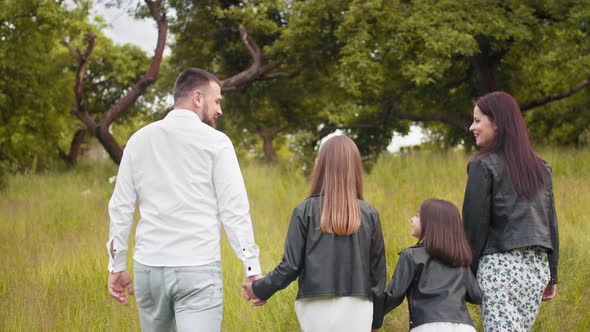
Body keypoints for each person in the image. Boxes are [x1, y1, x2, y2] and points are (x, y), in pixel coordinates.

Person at [106, 68, 263, 331]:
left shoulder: (138, 141)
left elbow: (120, 207)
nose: (219, 110)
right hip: (197, 268)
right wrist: (252, 270)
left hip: (149, 269)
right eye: (217, 101)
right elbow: (234, 211)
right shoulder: (217, 143)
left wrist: (117, 265)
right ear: (198, 98)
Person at [241, 135, 387, 331]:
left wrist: (260, 289)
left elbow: (291, 266)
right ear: (355, 168)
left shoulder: (304, 210)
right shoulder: (369, 214)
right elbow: (377, 277)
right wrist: (376, 321)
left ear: (322, 166)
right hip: (358, 307)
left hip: (314, 306)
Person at [463, 91, 559, 331]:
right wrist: (552, 275)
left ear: (496, 121)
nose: (471, 127)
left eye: (477, 120)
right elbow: (550, 224)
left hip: (500, 268)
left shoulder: (481, 164)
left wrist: (465, 276)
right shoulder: (541, 168)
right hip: (536, 270)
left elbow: (474, 227)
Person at [383, 199, 482, 332]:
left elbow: (393, 295)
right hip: (465, 327)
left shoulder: (411, 255)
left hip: (428, 326)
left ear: (431, 223)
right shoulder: (460, 261)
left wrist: (372, 315)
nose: (412, 219)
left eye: (417, 216)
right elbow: (476, 296)